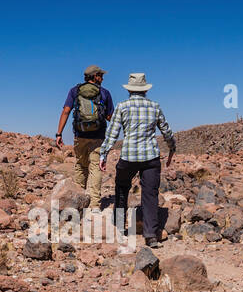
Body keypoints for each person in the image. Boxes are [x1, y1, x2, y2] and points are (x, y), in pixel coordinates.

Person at [99, 73, 175, 247]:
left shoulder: (122, 106)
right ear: (145, 90)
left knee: (121, 188)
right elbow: (166, 131)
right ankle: (151, 236)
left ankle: (119, 227)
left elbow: (112, 133)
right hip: (151, 157)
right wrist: (172, 148)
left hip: (128, 157)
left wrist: (104, 154)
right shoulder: (154, 106)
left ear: (130, 90)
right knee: (150, 194)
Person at [55, 65, 113, 211]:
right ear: (94, 76)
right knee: (95, 167)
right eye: (100, 75)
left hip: (80, 135)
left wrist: (59, 133)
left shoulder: (74, 91)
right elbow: (109, 117)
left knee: (81, 165)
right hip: (98, 136)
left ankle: (79, 199)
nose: (103, 78)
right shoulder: (104, 93)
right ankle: (94, 204)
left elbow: (66, 111)